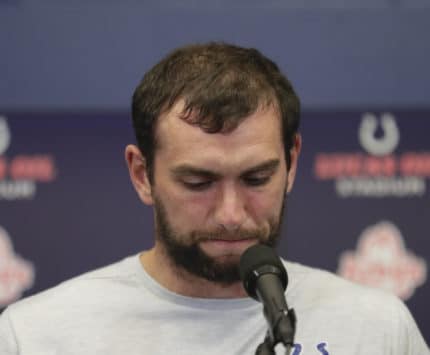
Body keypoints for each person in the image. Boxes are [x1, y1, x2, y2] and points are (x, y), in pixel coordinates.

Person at [0, 42, 428, 355]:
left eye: (257, 178)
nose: (230, 214)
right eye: (198, 182)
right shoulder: (37, 336)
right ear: (141, 174)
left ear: (292, 163)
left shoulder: (376, 329)